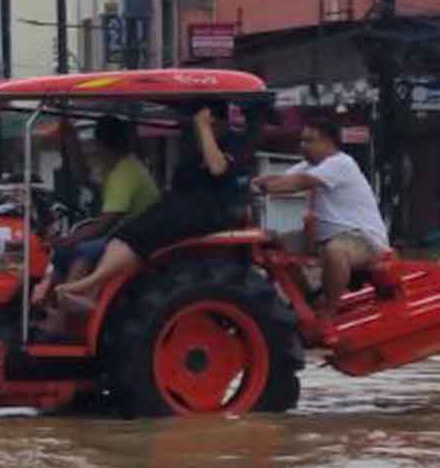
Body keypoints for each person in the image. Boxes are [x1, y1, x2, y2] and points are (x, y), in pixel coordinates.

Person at [57, 102, 244, 308]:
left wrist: (204, 125)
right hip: (178, 209)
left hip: (206, 213)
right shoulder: (194, 157)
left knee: (130, 235)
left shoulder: (230, 145)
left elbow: (217, 169)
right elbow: (85, 178)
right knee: (128, 232)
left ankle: (88, 286)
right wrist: (70, 138)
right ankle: (90, 289)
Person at [252, 118, 390, 323]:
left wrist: (265, 187)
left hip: (362, 239)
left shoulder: (341, 163)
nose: (302, 146)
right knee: (271, 244)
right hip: (321, 237)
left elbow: (298, 183)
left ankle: (329, 310)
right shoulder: (309, 165)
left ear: (328, 142)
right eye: (302, 141)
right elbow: (280, 180)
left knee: (336, 252)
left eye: (309, 141)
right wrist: (253, 183)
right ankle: (305, 301)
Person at [33, 116, 160, 308]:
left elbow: (106, 223)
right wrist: (70, 139)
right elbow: (83, 177)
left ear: (102, 144)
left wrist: (72, 239)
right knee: (62, 253)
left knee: (86, 248)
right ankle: (48, 307)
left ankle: (65, 315)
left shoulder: (125, 173)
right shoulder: (115, 166)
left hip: (135, 239)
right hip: (123, 233)